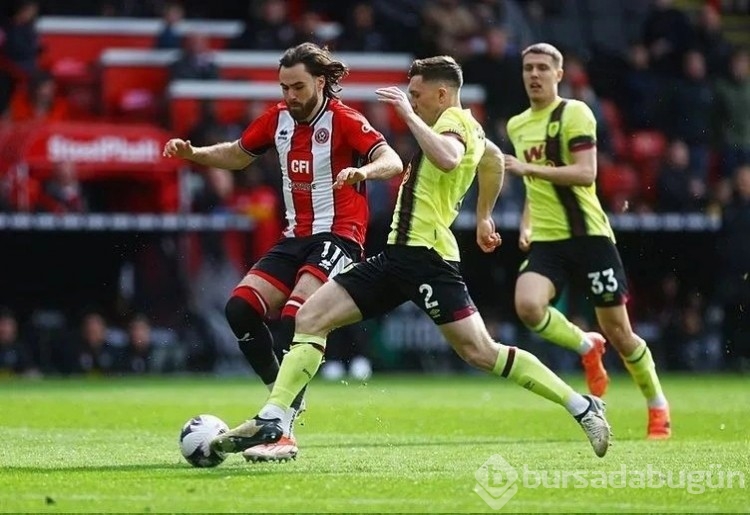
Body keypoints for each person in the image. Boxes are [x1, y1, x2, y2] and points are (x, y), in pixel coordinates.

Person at [211, 55, 612, 460]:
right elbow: (492, 160)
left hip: (428, 259)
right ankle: (276, 420)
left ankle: (582, 405)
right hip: (397, 257)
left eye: (417, 95)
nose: (412, 101)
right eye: (410, 97)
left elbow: (449, 158)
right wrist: (484, 215)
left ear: (442, 94)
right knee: (311, 318)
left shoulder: (453, 123)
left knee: (481, 352)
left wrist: (406, 114)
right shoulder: (467, 127)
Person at [163, 43, 403, 461]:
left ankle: (281, 427)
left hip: (339, 237)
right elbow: (239, 154)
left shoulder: (344, 119)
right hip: (294, 238)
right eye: (283, 87)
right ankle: (285, 403)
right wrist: (195, 154)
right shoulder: (278, 119)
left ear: (321, 82)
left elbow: (393, 159)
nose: (289, 96)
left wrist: (364, 170)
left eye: (297, 87)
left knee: (298, 317)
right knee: (239, 309)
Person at [503, 43, 670, 439]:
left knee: (620, 332)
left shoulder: (576, 113)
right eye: (528, 68)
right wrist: (527, 222)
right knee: (527, 306)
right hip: (548, 238)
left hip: (590, 236)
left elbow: (585, 173)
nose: (534, 74)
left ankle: (657, 405)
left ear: (559, 74)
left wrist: (526, 166)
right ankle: (585, 346)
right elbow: (533, 185)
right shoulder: (517, 124)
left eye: (543, 67)